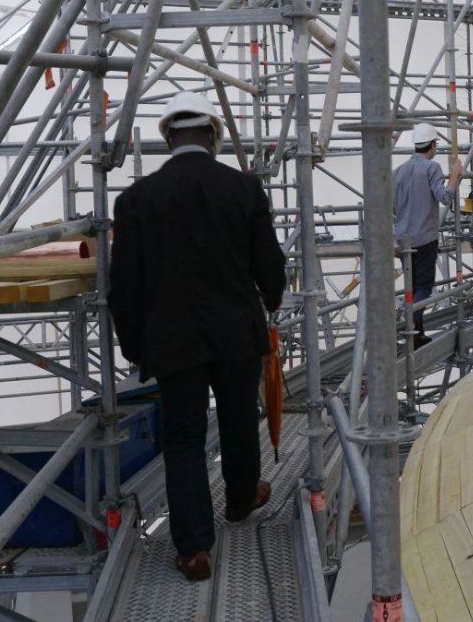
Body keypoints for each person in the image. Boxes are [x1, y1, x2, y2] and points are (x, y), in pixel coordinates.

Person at [109, 91, 286, 583]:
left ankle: (193, 548)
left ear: (168, 138)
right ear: (212, 135)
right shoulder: (244, 188)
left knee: (183, 437)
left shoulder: (136, 200)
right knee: (237, 416)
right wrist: (272, 298)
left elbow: (124, 284)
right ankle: (240, 497)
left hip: (172, 338)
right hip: (235, 329)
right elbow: (268, 262)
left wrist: (133, 343)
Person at [393, 122, 462, 347]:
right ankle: (412, 326)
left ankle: (416, 330)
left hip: (403, 238)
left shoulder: (398, 171)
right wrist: (455, 175)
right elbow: (444, 197)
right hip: (425, 238)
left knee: (411, 285)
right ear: (432, 145)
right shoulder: (431, 168)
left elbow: (391, 207)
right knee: (423, 286)